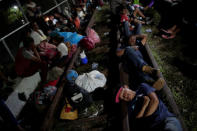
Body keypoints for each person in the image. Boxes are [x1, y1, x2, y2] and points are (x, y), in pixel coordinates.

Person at [115, 84, 183, 131]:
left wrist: (144, 116)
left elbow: (155, 101)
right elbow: (139, 121)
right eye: (123, 98)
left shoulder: (142, 87)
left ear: (126, 87)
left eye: (124, 93)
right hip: (154, 127)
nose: (125, 97)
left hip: (165, 118)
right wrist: (145, 105)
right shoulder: (130, 108)